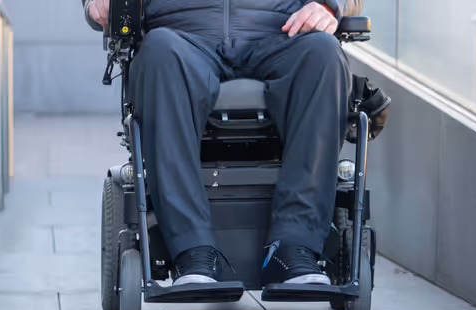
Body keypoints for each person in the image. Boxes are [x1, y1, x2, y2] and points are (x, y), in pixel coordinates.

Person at [82, 0, 351, 286]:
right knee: (159, 51)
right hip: (181, 38)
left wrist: (329, 6)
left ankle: (294, 247)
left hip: (282, 35)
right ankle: (192, 249)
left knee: (324, 52)